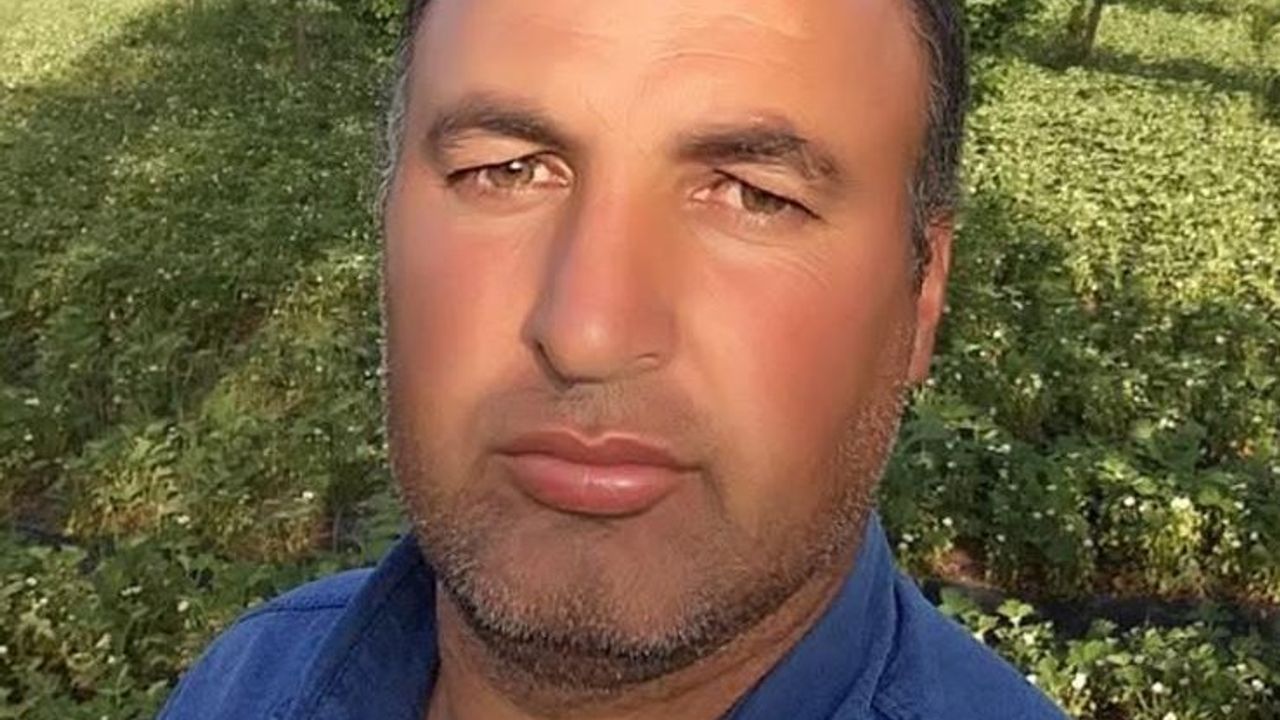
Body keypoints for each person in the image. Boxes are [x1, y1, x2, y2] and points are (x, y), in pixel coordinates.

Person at [160, 0, 1070, 718]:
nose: (587, 333)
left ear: (920, 295)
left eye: (754, 195)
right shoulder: (245, 683)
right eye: (506, 170)